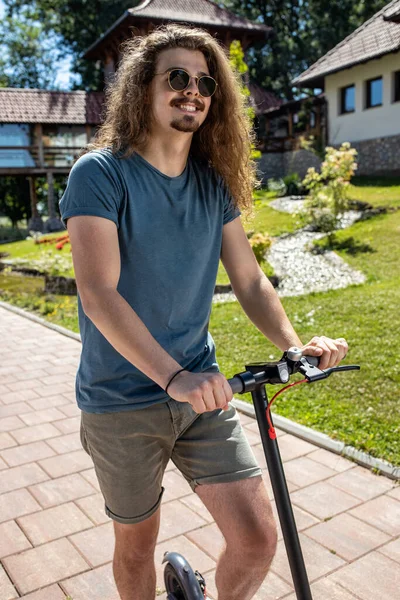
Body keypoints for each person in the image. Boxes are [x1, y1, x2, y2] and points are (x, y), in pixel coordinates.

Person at [59, 24, 348, 600]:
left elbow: (249, 278)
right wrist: (174, 376)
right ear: (144, 88)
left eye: (205, 82)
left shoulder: (211, 184)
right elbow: (99, 294)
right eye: (177, 78)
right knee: (137, 547)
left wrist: (293, 347)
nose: (193, 90)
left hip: (202, 398)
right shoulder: (101, 173)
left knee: (258, 538)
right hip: (122, 401)